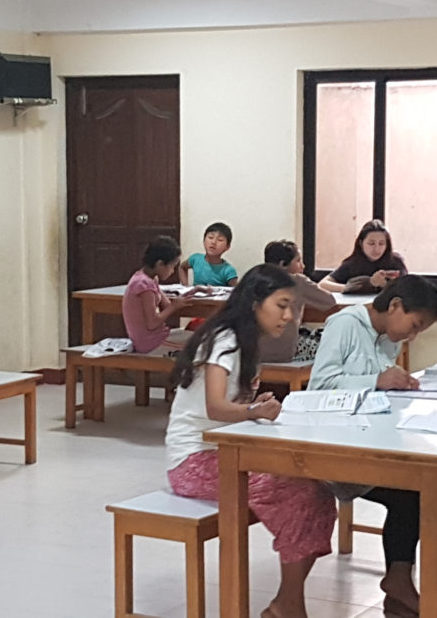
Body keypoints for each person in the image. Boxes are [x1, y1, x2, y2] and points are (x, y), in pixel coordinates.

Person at [165, 264, 336, 618]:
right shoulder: (225, 339)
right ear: (256, 302)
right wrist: (254, 412)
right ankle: (290, 606)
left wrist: (255, 410)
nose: (289, 316)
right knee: (299, 491)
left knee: (317, 491)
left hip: (226, 450)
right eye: (282, 305)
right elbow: (215, 406)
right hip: (193, 460)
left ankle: (287, 602)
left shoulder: (246, 339)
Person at [308, 274, 437, 616]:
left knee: (422, 485)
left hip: (368, 438)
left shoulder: (387, 337)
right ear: (395, 306)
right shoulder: (345, 324)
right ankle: (398, 581)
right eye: (414, 325)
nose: (411, 336)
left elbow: (378, 387)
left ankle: (399, 580)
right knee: (412, 489)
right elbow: (319, 388)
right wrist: (377, 380)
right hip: (333, 447)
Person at [259, 239, 335, 363]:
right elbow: (329, 302)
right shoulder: (297, 281)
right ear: (283, 264)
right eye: (298, 261)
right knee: (332, 346)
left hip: (253, 354)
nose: (303, 266)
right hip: (286, 354)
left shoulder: (254, 279)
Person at [121, 236, 196, 354]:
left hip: (157, 337)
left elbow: (166, 305)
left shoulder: (150, 279)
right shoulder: (143, 284)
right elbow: (152, 323)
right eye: (172, 267)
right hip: (150, 343)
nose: (172, 272)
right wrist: (174, 307)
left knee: (198, 336)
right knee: (200, 346)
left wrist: (194, 290)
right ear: (160, 264)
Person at [318, 219, 407, 293]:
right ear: (361, 243)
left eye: (381, 244)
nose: (376, 249)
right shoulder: (352, 263)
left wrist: (384, 284)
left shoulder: (395, 261)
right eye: (371, 243)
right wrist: (348, 288)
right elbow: (322, 284)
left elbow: (407, 288)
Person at [178, 221, 238, 287]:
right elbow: (182, 267)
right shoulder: (195, 259)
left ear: (227, 247)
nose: (213, 242)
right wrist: (185, 287)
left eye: (220, 240)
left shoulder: (228, 270)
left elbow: (236, 291)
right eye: (210, 237)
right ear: (204, 240)